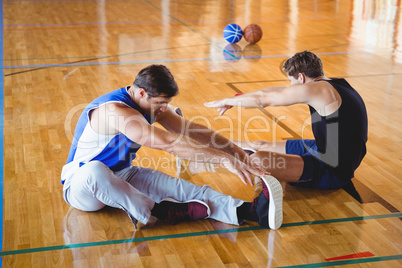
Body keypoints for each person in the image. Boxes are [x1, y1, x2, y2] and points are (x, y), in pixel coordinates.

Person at [61, 64, 283, 230]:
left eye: (165, 103)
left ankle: (250, 211)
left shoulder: (149, 104)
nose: (163, 109)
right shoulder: (116, 112)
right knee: (95, 170)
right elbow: (168, 143)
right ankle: (159, 212)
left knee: (181, 189)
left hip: (122, 174)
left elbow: (192, 130)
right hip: (82, 187)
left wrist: (234, 151)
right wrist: (224, 160)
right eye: (160, 104)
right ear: (141, 93)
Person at [205, 51, 368, 190]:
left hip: (332, 171)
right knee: (259, 145)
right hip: (325, 150)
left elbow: (264, 99)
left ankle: (211, 156)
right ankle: (205, 143)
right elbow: (273, 91)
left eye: (291, 81)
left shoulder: (319, 91)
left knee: (258, 160)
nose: (290, 87)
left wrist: (226, 101)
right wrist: (236, 98)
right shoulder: (335, 84)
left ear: (302, 78)